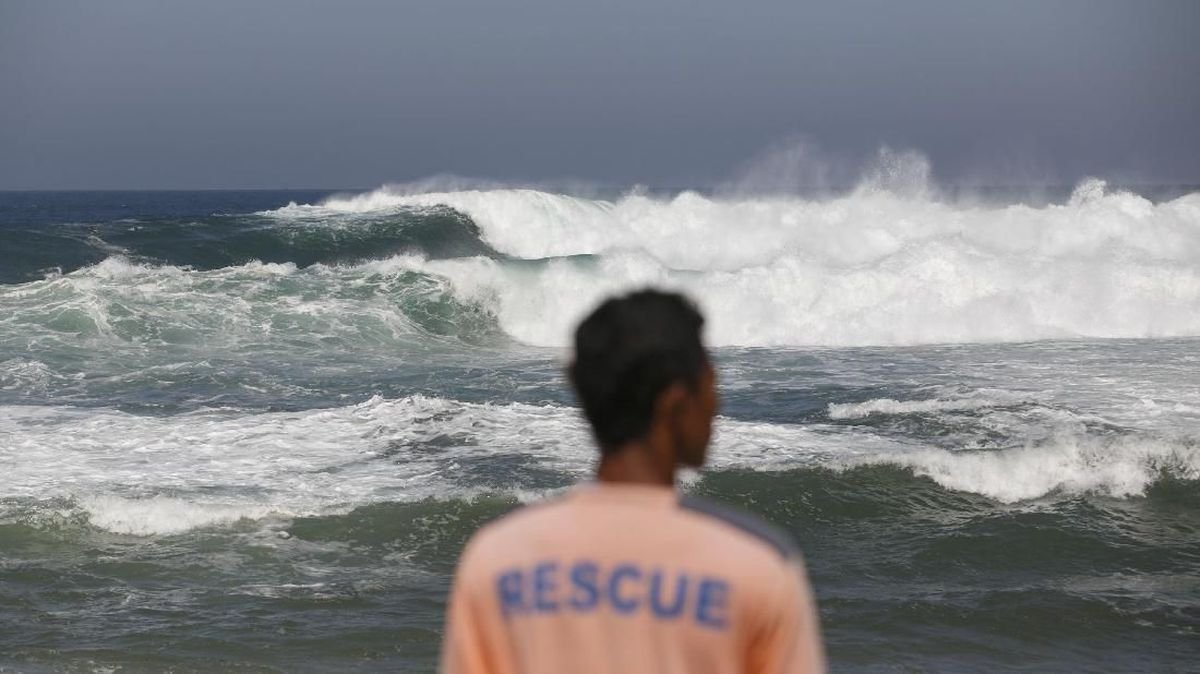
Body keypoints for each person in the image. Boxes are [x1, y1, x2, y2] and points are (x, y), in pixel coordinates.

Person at [440, 289, 825, 674]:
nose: (715, 404)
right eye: (710, 384)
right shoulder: (756, 566)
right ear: (674, 402)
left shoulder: (497, 559)